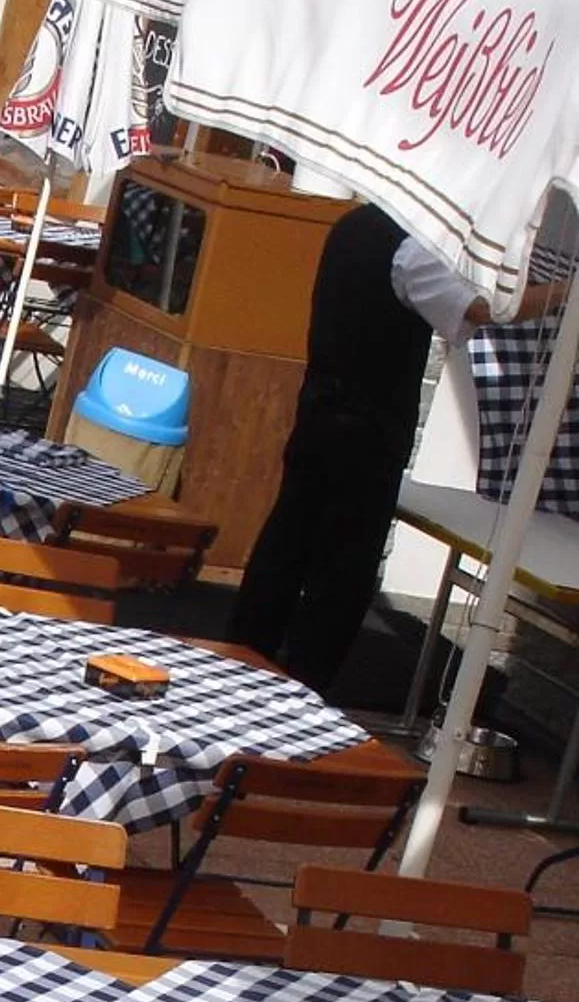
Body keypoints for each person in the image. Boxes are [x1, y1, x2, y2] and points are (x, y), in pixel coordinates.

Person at [229, 201, 560, 696]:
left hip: (319, 408)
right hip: (366, 428)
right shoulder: (411, 249)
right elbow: (479, 311)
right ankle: (304, 686)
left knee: (287, 541)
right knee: (344, 569)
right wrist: (557, 294)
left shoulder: (353, 224)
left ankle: (243, 657)